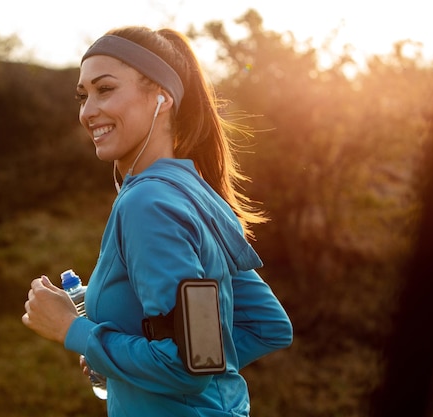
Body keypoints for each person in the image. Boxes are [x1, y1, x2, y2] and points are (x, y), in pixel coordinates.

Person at [22, 26, 293, 417]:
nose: (87, 111)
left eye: (106, 89)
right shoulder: (193, 191)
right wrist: (124, 360)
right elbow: (264, 326)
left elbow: (190, 363)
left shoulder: (147, 203)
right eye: (83, 96)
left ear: (162, 97)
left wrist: (73, 330)